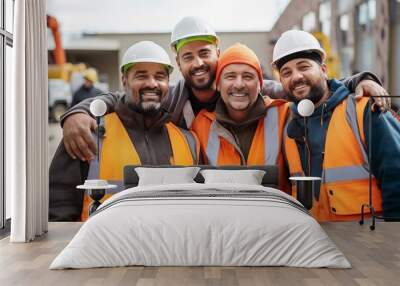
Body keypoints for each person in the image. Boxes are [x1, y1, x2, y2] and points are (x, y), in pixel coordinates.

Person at [60, 17, 388, 162]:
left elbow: (307, 86)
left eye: (205, 54)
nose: (198, 63)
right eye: (188, 57)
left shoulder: (265, 94)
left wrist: (360, 81)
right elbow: (124, 99)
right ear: (178, 60)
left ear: (217, 53)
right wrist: (79, 110)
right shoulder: (170, 101)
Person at [49, 41, 200, 222]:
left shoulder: (187, 141)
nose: (152, 83)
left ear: (168, 83)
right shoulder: (89, 133)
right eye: (141, 76)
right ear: (124, 80)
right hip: (101, 247)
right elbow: (58, 210)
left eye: (160, 76)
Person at [272, 30, 400, 221]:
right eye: (286, 72)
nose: (296, 76)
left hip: (368, 242)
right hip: (318, 242)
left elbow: (396, 175)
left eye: (304, 67)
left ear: (323, 70)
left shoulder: (364, 110)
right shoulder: (288, 124)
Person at [191, 43, 290, 192]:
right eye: (230, 76)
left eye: (248, 76)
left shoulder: (283, 115)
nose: (239, 84)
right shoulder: (201, 125)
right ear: (218, 84)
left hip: (273, 213)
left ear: (259, 85)